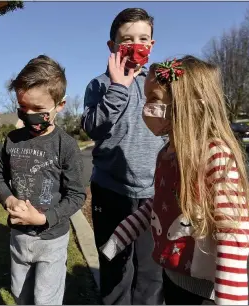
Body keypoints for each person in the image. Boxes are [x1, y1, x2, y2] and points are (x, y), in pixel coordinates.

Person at [100, 56, 249, 305]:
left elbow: (232, 231)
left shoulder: (214, 155)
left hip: (204, 293)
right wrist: (119, 238)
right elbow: (157, 204)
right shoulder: (166, 155)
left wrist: (230, 300)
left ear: (188, 104)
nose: (146, 107)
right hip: (172, 278)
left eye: (154, 99)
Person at [81, 8, 165, 304]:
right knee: (116, 266)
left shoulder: (159, 84)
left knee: (151, 269)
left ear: (152, 45)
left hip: (154, 193)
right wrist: (119, 87)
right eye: (126, 39)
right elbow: (93, 128)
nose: (136, 45)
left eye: (143, 39)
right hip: (111, 190)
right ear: (112, 47)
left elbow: (168, 131)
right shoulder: (100, 85)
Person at [0, 55, 86, 305]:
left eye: (38, 110)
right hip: (19, 236)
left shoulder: (65, 145)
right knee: (20, 295)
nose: (29, 115)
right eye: (23, 108)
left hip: (52, 238)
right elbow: (0, 176)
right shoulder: (12, 139)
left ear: (60, 105)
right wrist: (8, 199)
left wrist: (45, 218)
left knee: (45, 300)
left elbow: (77, 195)